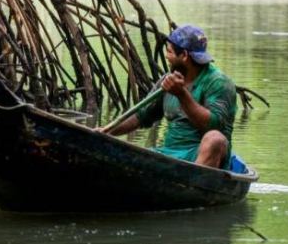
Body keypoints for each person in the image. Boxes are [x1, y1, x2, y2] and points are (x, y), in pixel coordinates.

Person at [101, 25, 237, 169]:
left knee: (215, 138)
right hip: (168, 153)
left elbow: (214, 126)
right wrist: (105, 132)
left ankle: (192, 180)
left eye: (169, 51)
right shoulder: (168, 80)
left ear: (184, 55)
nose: (166, 56)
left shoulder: (219, 82)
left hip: (198, 155)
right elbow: (140, 116)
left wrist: (182, 94)